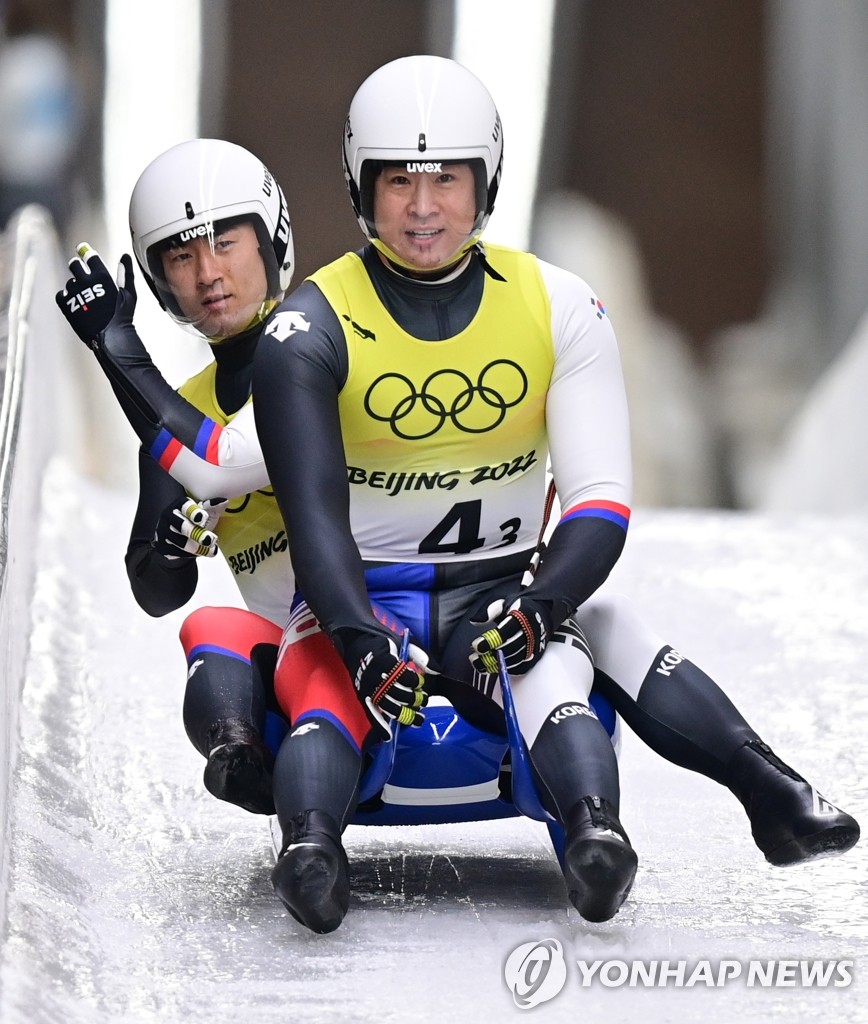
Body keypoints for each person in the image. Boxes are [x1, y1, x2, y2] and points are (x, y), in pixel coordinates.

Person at [57, 73, 859, 935]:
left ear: (487, 182)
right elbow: (278, 505)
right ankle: (300, 827)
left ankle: (678, 811)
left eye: (446, 179)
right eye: (400, 180)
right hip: (357, 602)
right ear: (363, 190)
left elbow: (601, 499)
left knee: (585, 637)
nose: (423, 207)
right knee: (274, 652)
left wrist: (544, 598)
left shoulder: (558, 305)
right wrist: (358, 635)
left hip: (494, 588)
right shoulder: (312, 327)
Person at [55, 138, 315, 815]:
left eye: (225, 244)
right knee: (208, 628)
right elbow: (156, 591)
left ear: (270, 242)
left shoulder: (325, 343)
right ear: (160, 280)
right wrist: (170, 548)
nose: (207, 273)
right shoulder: (179, 413)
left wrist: (118, 351)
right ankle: (239, 754)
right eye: (180, 255)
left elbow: (224, 455)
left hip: (390, 617)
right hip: (289, 655)